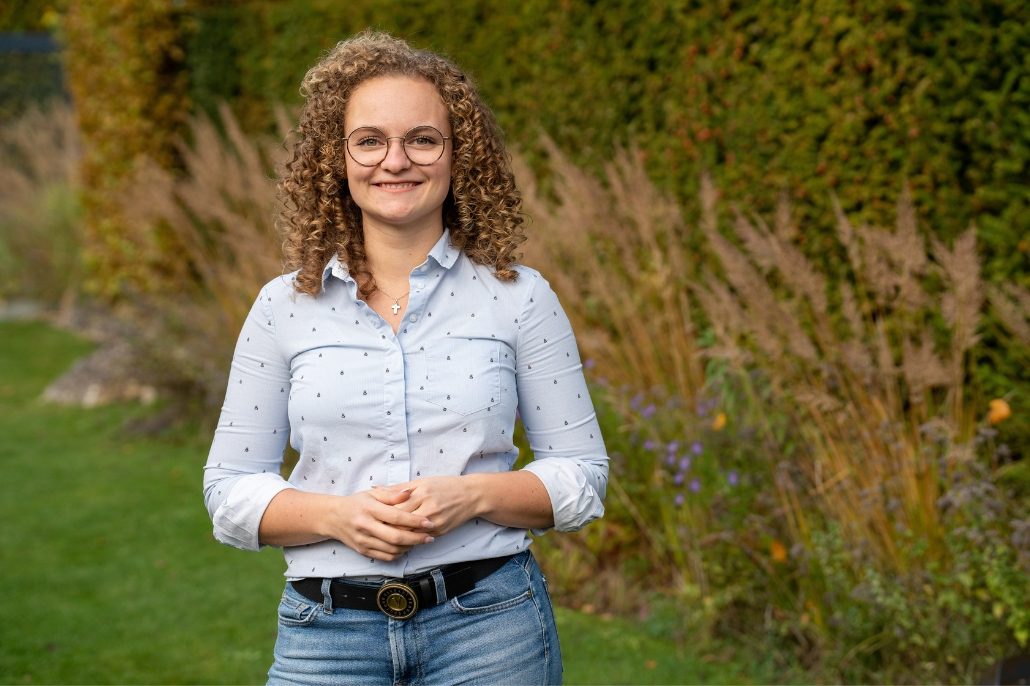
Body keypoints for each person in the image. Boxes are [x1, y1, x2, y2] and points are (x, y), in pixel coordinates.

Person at [203, 30, 608, 685]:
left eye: (423, 138)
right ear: (336, 158)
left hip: (491, 630)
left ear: (458, 156)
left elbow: (583, 479)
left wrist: (471, 497)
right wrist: (336, 516)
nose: (396, 160)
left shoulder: (520, 297)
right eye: (370, 140)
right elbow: (228, 493)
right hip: (324, 637)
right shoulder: (283, 307)